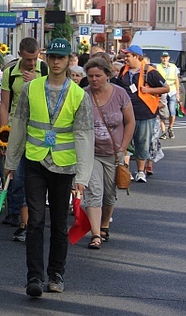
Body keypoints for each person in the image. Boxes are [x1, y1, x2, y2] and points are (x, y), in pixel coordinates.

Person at [4, 38, 94, 298]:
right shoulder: (31, 89)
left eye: (61, 58)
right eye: (52, 57)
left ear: (69, 61)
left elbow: (85, 136)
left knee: (57, 223)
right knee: (34, 220)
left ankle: (56, 274)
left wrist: (83, 176)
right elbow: (19, 124)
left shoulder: (78, 95)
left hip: (64, 167)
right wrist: (11, 161)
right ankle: (34, 277)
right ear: (46, 58)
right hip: (35, 160)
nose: (56, 62)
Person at [0, 37, 47, 241]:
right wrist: (3, 133)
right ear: (20, 55)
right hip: (17, 129)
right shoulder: (10, 73)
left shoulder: (44, 71)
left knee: (35, 175)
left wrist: (34, 85)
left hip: (38, 130)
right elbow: (4, 106)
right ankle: (17, 213)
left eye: (35, 59)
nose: (32, 63)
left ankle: (29, 218)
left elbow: (50, 99)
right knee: (15, 175)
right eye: (28, 59)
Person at [83, 57, 135, 249]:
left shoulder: (120, 94)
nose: (94, 79)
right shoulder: (83, 95)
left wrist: (123, 148)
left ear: (108, 75)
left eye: (98, 76)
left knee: (109, 194)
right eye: (90, 76)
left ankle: (105, 224)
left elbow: (130, 122)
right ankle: (95, 234)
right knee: (94, 191)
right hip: (92, 153)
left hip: (114, 153)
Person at [111, 45, 169, 183]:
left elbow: (166, 88)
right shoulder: (124, 72)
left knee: (142, 143)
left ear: (136, 56)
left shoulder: (150, 71)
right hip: (126, 113)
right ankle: (126, 170)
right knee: (126, 142)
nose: (125, 59)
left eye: (128, 56)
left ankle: (141, 171)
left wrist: (148, 91)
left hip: (145, 113)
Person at [156, 52, 180, 139]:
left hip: (172, 91)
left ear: (169, 58)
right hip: (162, 91)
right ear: (161, 58)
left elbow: (176, 80)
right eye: (163, 57)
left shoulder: (173, 67)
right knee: (162, 112)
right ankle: (163, 132)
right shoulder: (158, 67)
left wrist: (177, 92)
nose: (164, 59)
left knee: (172, 112)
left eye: (166, 57)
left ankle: (170, 127)